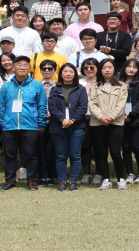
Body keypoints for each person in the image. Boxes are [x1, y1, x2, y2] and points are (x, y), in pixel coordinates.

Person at [0, 55, 47, 191]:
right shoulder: (7, 86)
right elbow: (1, 106)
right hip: (9, 125)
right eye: (19, 65)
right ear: (13, 68)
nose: (22, 67)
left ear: (29, 68)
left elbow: (42, 106)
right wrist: (2, 124)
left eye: (25, 65)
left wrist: (41, 124)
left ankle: (32, 180)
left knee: (31, 154)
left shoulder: (37, 85)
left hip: (30, 125)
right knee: (10, 154)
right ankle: (10, 180)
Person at [86, 58, 129, 190]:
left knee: (116, 152)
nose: (107, 70)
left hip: (115, 123)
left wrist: (110, 117)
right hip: (97, 123)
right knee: (101, 153)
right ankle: (106, 179)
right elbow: (92, 103)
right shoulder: (94, 86)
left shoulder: (122, 86)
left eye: (110, 67)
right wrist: (101, 117)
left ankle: (121, 178)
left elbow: (121, 105)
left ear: (114, 69)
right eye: (104, 68)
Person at [48, 63, 89, 191]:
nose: (68, 74)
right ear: (61, 74)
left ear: (74, 74)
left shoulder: (80, 89)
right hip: (58, 126)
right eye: (65, 71)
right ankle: (62, 181)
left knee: (75, 155)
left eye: (71, 71)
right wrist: (62, 119)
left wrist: (72, 120)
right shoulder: (55, 89)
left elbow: (83, 108)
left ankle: (73, 181)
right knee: (61, 155)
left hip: (76, 127)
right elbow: (52, 107)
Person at [119, 59, 139, 185]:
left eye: (134, 67)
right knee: (125, 148)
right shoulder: (118, 83)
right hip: (121, 120)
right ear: (124, 68)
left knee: (137, 147)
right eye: (129, 66)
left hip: (137, 119)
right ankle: (130, 173)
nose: (131, 69)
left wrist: (131, 115)